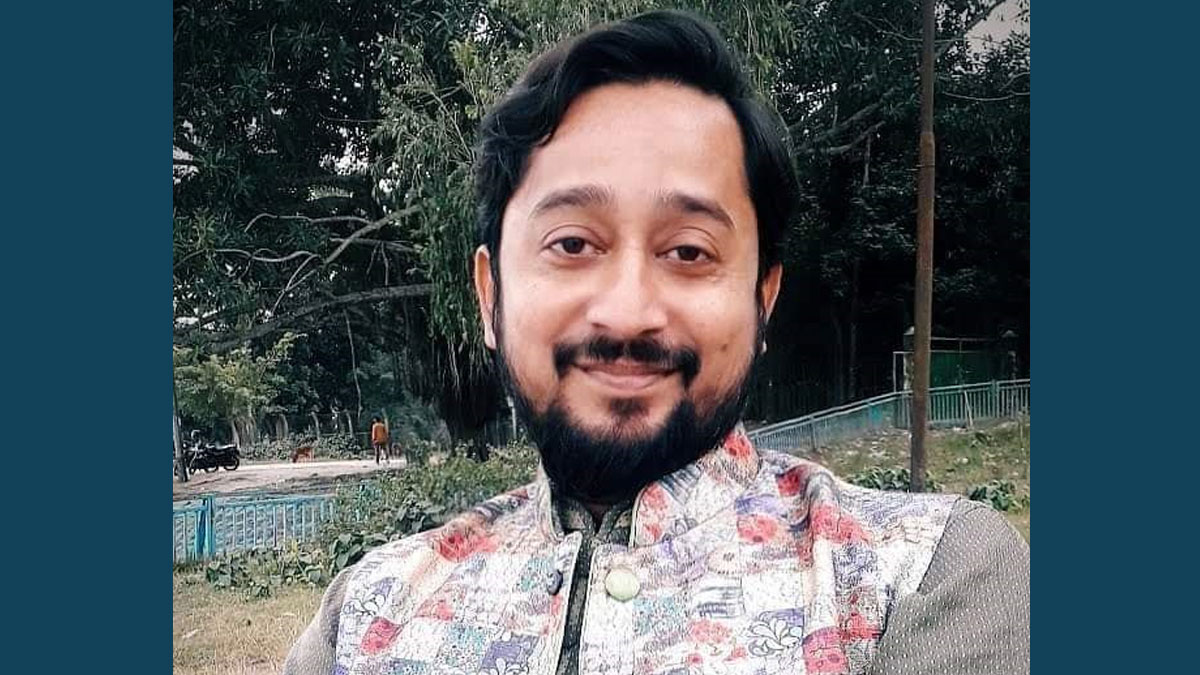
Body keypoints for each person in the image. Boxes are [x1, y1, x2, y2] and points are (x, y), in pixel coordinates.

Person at [286, 10, 1029, 675]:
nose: (628, 313)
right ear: (490, 296)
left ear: (763, 299)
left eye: (689, 251)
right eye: (572, 242)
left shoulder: (929, 579)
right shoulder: (365, 619)